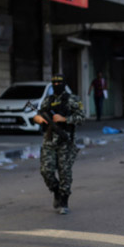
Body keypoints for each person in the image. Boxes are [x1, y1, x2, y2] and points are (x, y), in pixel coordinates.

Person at [33, 74, 85, 214]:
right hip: (49, 141)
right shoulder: (48, 100)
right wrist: (38, 119)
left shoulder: (72, 99)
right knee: (46, 171)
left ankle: (64, 201)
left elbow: (81, 117)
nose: (56, 85)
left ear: (64, 84)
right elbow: (38, 115)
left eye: (59, 83)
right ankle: (56, 191)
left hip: (65, 141)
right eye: (54, 83)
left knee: (65, 173)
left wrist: (65, 119)